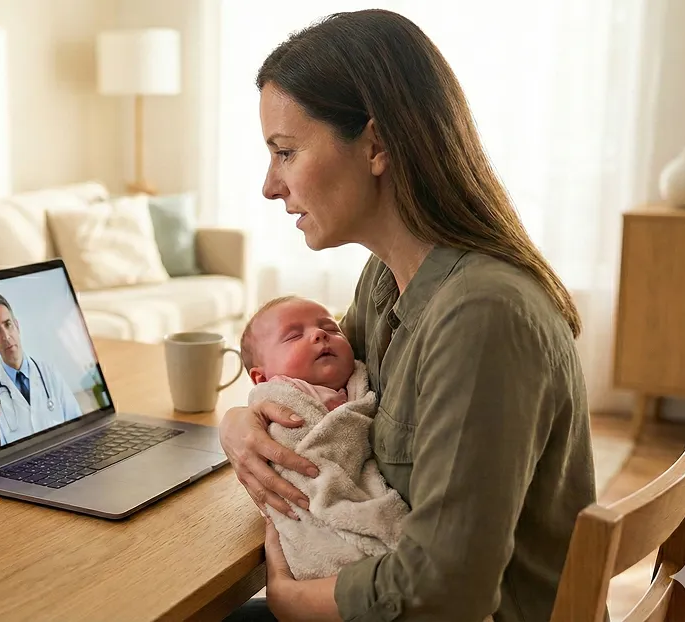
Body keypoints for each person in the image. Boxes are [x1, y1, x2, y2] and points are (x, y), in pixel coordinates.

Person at [219, 9, 595, 622]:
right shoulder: (386, 283)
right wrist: (237, 423)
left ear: (375, 145)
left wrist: (290, 602)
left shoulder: (482, 316)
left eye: (285, 152)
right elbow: (327, 394)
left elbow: (444, 594)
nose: (269, 185)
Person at [239, 295, 410, 583]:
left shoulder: (358, 390)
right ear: (262, 378)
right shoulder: (283, 400)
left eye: (331, 329)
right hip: (314, 511)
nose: (319, 335)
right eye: (294, 336)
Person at [0, 292, 84, 453]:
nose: (5, 336)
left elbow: (79, 426)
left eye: (8, 324)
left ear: (17, 326)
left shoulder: (50, 373)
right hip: (20, 474)